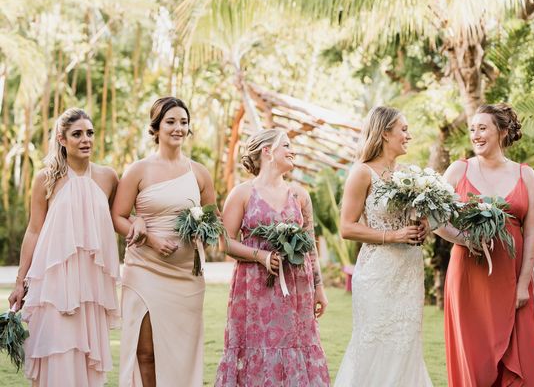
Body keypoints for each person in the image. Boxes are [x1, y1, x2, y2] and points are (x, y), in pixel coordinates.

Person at [8, 108, 119, 386]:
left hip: (91, 285)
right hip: (55, 283)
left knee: (85, 354)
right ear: (62, 138)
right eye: (77, 134)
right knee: (55, 349)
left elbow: (120, 219)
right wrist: (21, 282)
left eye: (90, 133)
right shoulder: (46, 178)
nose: (86, 140)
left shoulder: (108, 178)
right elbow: (34, 231)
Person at [112, 97, 216, 387]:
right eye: (171, 122)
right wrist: (150, 238)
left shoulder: (199, 173)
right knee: (146, 352)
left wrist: (203, 231)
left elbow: (213, 220)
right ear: (156, 128)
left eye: (183, 122)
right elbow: (118, 217)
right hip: (145, 270)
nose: (178, 128)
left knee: (180, 354)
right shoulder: (138, 170)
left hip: (186, 277)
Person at [215, 128, 330, 386]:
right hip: (254, 287)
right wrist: (260, 256)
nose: (293, 151)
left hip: (296, 289)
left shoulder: (300, 196)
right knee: (258, 345)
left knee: (295, 345)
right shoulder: (242, 194)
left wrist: (319, 288)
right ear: (267, 151)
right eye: (286, 145)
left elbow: (309, 245)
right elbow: (226, 242)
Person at [442, 103, 534, 386]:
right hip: (469, 279)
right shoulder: (457, 170)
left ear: (501, 131)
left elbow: (532, 233)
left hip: (512, 277)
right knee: (474, 356)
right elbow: (435, 219)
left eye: (482, 128)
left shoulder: (526, 175)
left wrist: (524, 283)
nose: (475, 134)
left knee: (518, 355)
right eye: (472, 129)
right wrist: (464, 239)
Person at [334, 106, 432, 386]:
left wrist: (423, 225)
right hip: (378, 273)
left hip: (410, 272)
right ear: (385, 133)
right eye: (404, 129)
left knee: (406, 342)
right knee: (377, 341)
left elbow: (416, 217)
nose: (409, 135)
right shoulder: (362, 173)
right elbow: (347, 227)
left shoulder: (411, 175)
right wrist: (394, 236)